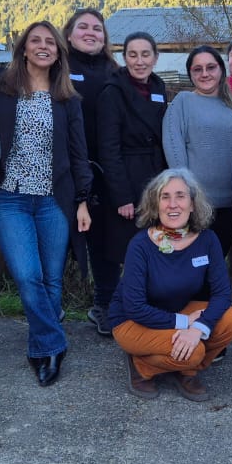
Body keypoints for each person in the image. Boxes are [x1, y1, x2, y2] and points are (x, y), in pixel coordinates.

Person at [0, 21, 92, 387]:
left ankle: (43, 347)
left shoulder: (67, 99)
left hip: (53, 200)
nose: (44, 46)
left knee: (51, 279)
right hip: (10, 198)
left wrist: (81, 200)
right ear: (24, 48)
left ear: (59, 52)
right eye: (36, 41)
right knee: (28, 276)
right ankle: (53, 343)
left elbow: (79, 155)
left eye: (51, 42)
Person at [109, 169, 232, 401]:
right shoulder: (140, 245)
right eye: (165, 197)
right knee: (196, 351)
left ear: (192, 204)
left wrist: (198, 328)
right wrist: (184, 323)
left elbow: (222, 293)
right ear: (156, 204)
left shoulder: (207, 240)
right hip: (132, 322)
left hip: (178, 313)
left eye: (180, 196)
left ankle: (185, 370)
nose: (173, 204)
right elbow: (134, 307)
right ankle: (141, 365)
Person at [61, 9, 122, 336]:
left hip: (103, 170)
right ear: (68, 34)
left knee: (104, 242)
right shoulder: (57, 68)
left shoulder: (116, 72)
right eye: (82, 27)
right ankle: (50, 305)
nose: (90, 32)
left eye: (96, 28)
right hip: (61, 169)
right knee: (58, 240)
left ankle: (104, 305)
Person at [96, 32, 168, 281]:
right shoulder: (113, 92)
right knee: (127, 251)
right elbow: (109, 148)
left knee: (158, 247)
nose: (140, 61)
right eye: (133, 55)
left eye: (145, 54)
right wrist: (122, 197)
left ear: (155, 58)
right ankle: (121, 309)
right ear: (124, 58)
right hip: (127, 178)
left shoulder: (159, 87)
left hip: (155, 176)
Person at [162, 46, 232, 257]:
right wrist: (187, 196)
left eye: (210, 67)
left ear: (221, 70)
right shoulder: (183, 102)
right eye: (197, 69)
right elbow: (174, 150)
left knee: (218, 263)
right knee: (195, 265)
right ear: (190, 73)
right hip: (197, 205)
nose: (205, 73)